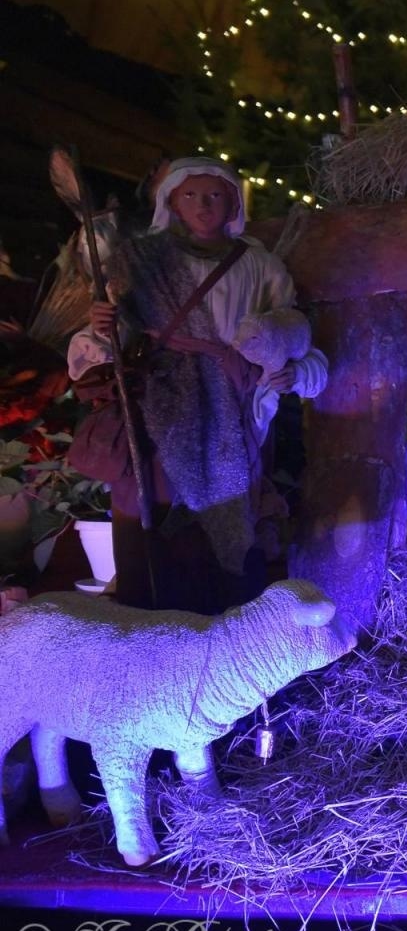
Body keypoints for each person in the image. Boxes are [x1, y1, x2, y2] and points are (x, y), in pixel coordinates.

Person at [66, 157, 328, 614]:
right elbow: (114, 338)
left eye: (214, 195)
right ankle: (153, 631)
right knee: (154, 512)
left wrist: (282, 366)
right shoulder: (141, 261)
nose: (203, 205)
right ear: (172, 202)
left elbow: (287, 331)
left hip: (234, 400)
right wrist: (102, 323)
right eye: (190, 195)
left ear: (232, 203)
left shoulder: (259, 265)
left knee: (228, 518)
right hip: (157, 401)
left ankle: (227, 632)